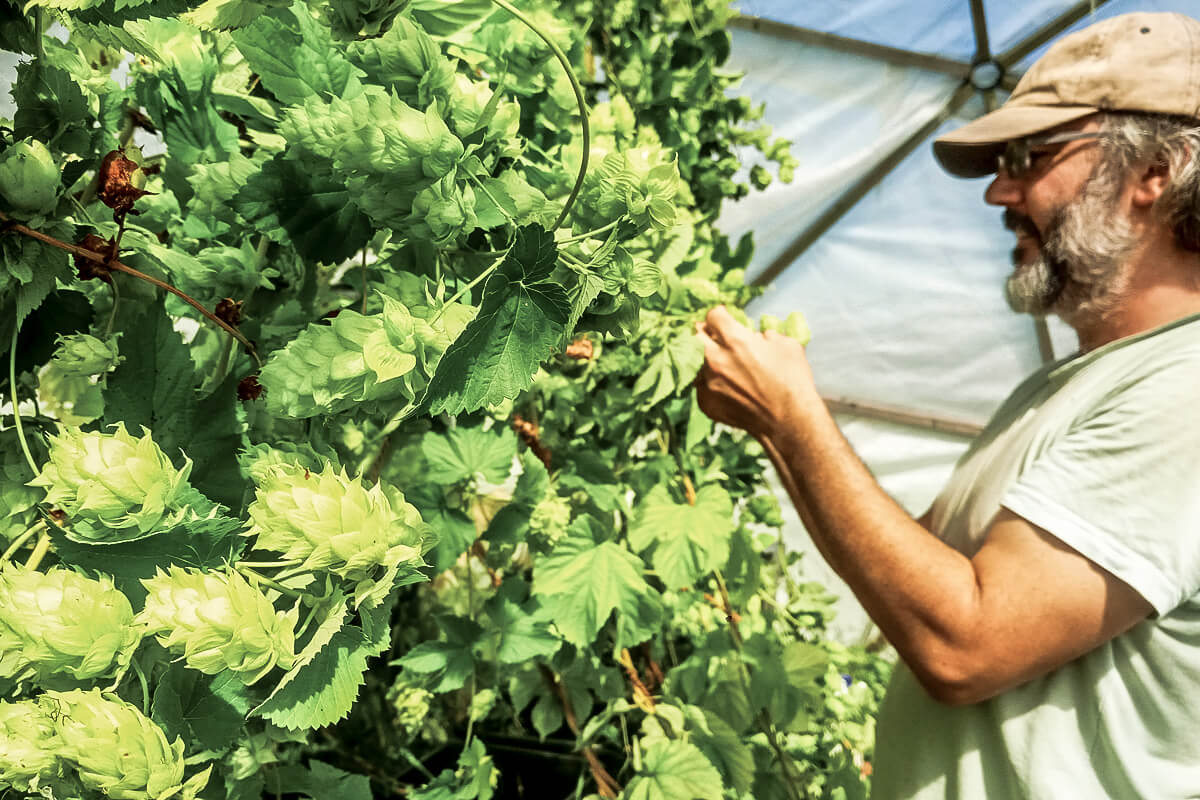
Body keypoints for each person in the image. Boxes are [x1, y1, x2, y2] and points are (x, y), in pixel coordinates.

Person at [695, 11, 1200, 800]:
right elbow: (917, 580)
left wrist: (792, 420)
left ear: (1156, 173)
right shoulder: (1059, 389)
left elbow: (964, 645)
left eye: (1031, 156)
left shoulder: (1186, 393)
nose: (1002, 191)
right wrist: (774, 419)